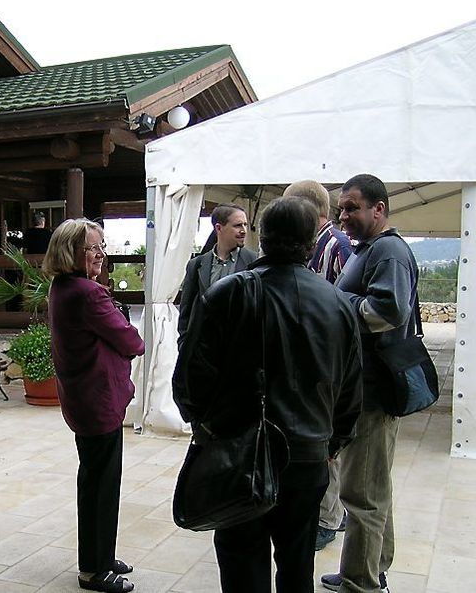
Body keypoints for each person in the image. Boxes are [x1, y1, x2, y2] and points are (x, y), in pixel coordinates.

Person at [173, 197, 363, 593]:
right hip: (309, 455)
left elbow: (190, 379)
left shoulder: (229, 294)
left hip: (240, 451)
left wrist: (207, 428)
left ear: (263, 237)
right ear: (311, 243)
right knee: (297, 561)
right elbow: (350, 389)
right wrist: (334, 441)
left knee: (242, 559)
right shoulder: (339, 304)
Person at [321, 174, 419, 593]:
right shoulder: (374, 249)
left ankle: (361, 583)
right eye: (342, 208)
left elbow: (389, 311)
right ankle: (370, 568)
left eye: (353, 207)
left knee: (362, 493)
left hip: (373, 392)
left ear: (379, 209)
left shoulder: (389, 251)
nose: (344, 215)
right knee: (373, 485)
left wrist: (336, 302)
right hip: (365, 389)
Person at [44, 218, 145, 593]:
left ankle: (103, 555)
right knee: (100, 486)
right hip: (97, 400)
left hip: (84, 398)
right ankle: (93, 570)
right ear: (71, 252)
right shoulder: (87, 293)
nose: (101, 254)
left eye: (102, 246)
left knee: (99, 481)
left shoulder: (62, 287)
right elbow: (132, 341)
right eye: (93, 248)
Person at [283, 180, 353, 551]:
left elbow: (345, 307)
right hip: (312, 361)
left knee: (326, 446)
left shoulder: (337, 247)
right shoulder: (318, 246)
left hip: (324, 363)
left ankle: (328, 519)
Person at [176, 203, 256, 343]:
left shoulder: (254, 261)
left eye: (245, 225)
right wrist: (184, 344)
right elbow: (186, 312)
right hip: (205, 350)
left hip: (241, 349)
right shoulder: (196, 265)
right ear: (219, 228)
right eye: (237, 225)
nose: (243, 230)